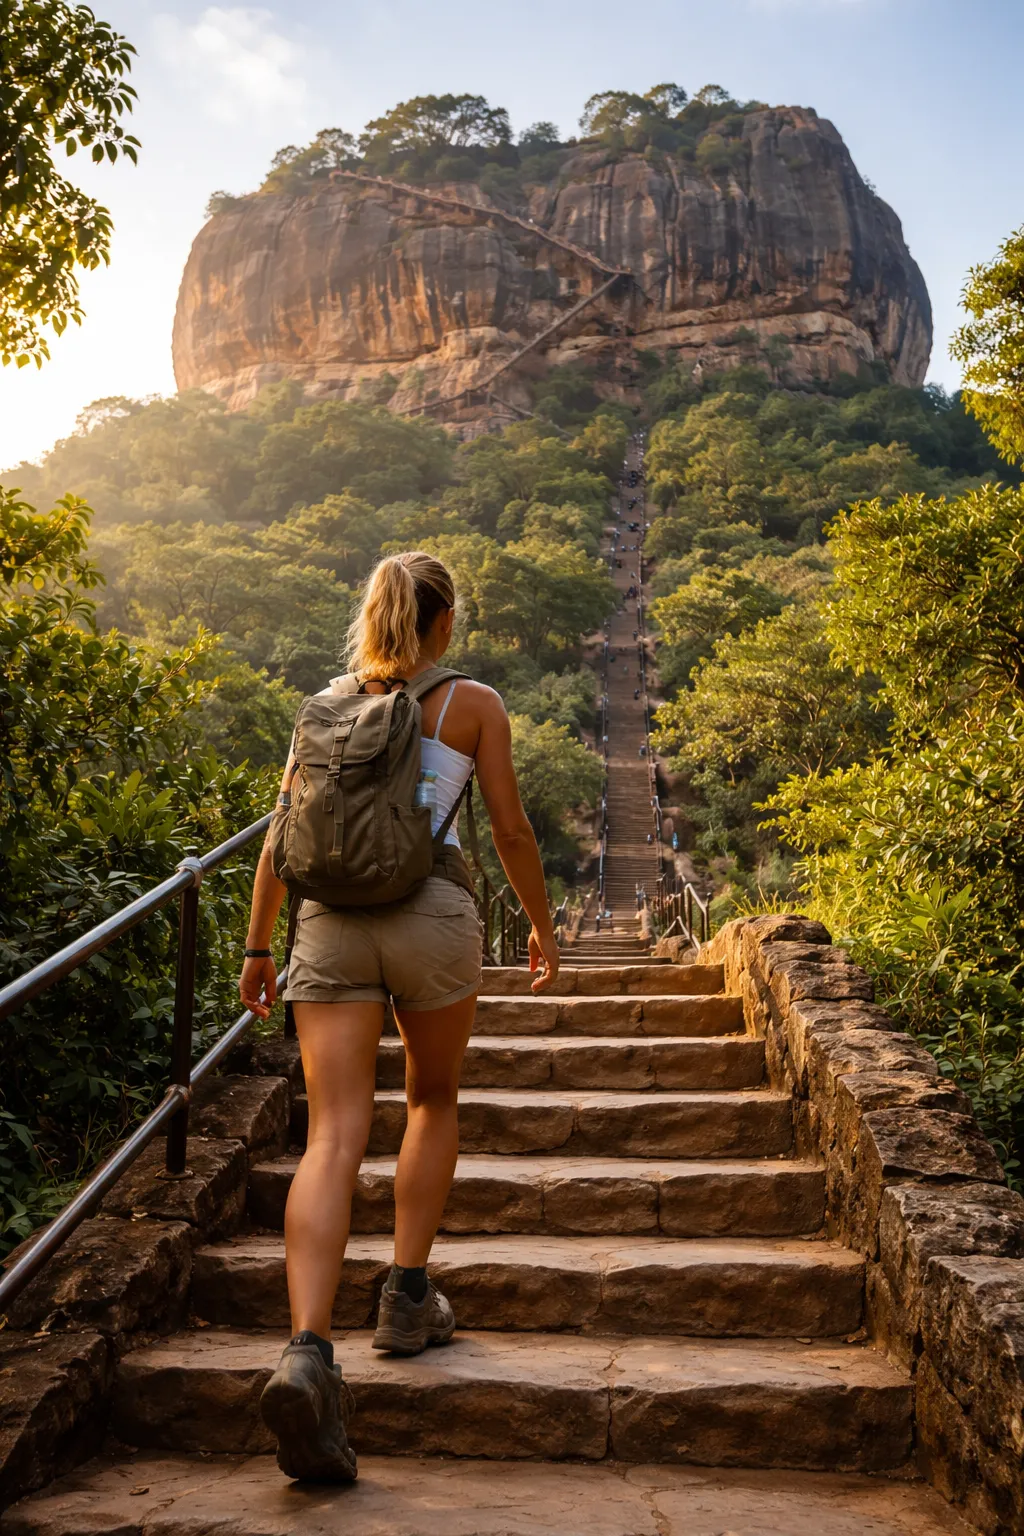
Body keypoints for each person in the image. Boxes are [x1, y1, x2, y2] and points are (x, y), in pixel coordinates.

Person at [239, 551, 560, 1484]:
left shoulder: (326, 705)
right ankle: (406, 1295)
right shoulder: (472, 704)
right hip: (432, 916)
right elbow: (509, 829)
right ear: (444, 621)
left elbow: (278, 835)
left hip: (329, 925)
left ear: (373, 616)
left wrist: (260, 948)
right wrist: (541, 928)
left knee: (332, 1134)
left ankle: (306, 1349)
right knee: (430, 1100)